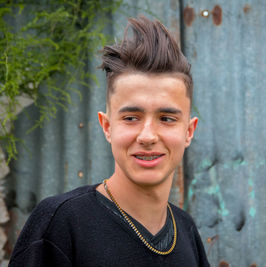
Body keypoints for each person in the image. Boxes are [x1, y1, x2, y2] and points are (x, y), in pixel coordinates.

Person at [9, 16, 209, 266]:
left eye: (166, 118)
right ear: (107, 126)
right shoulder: (61, 224)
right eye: (131, 117)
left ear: (189, 131)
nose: (147, 136)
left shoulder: (186, 231)